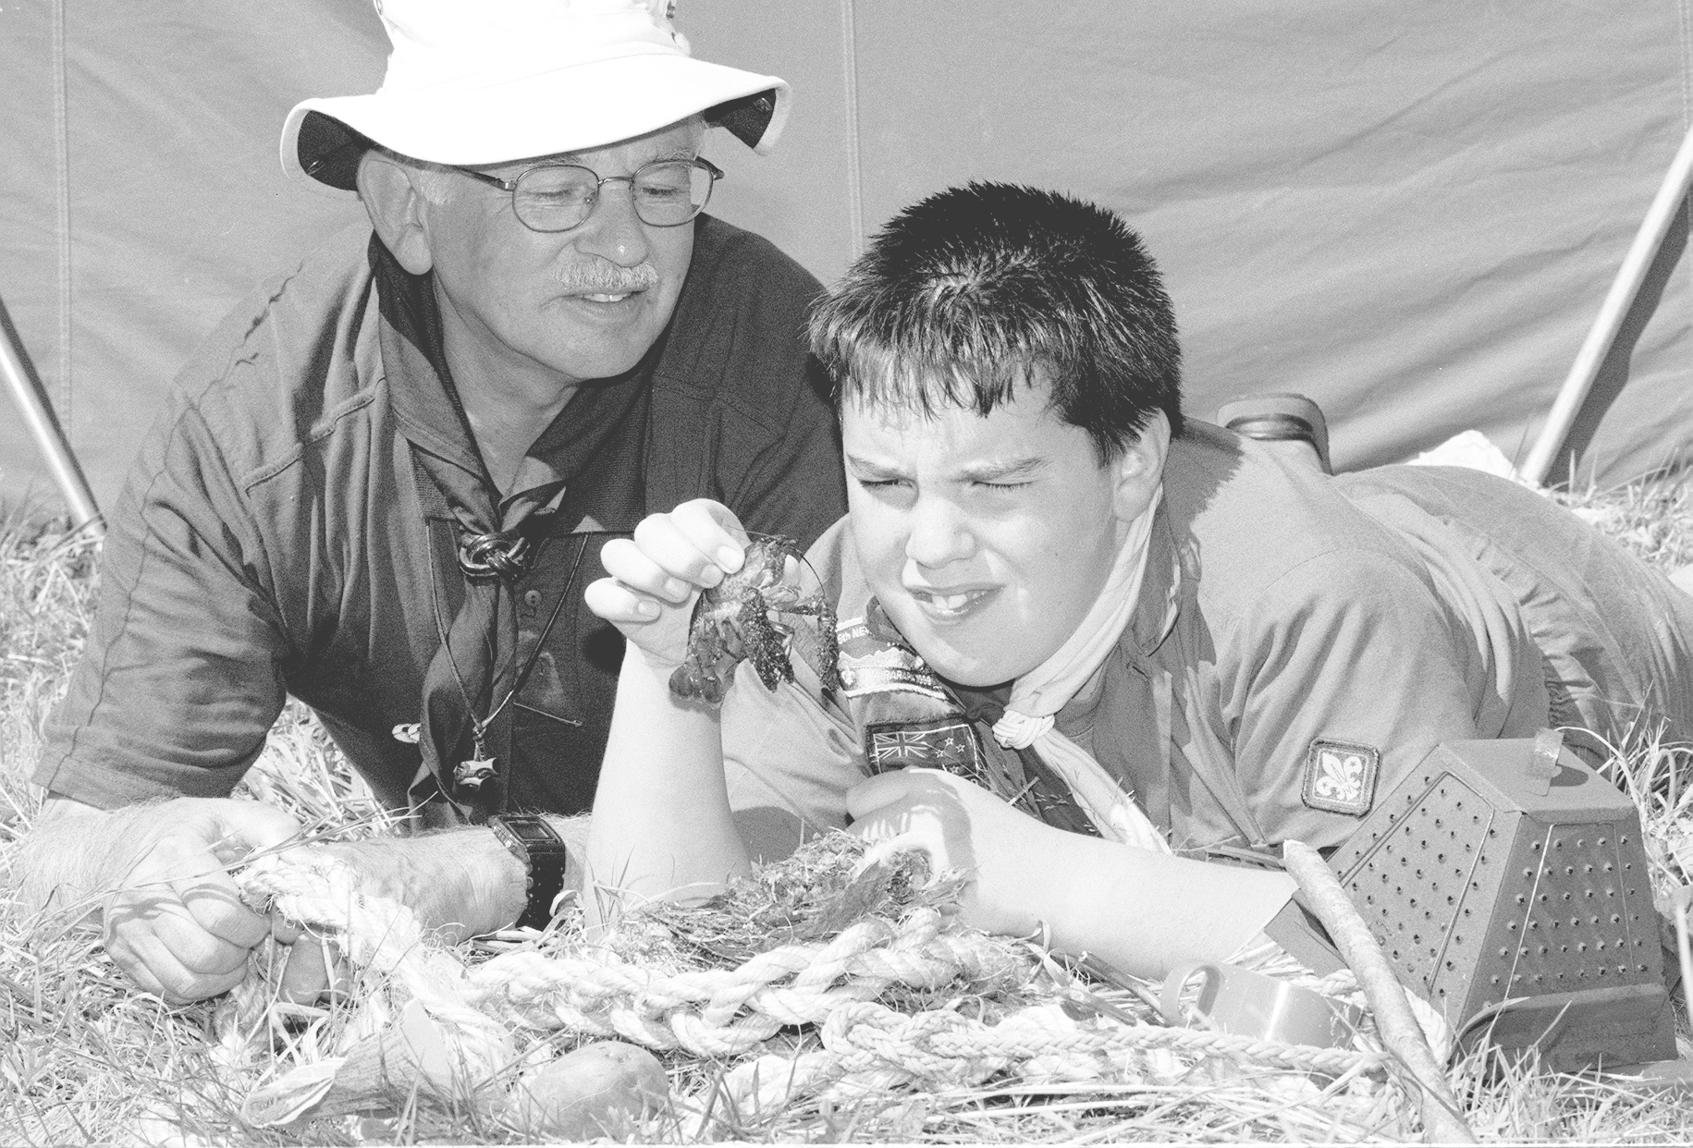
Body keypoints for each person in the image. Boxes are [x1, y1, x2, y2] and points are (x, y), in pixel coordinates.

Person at [15, 0, 843, 1004]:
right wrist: (150, 859)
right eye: (557, 188)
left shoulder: (782, 374)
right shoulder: (262, 431)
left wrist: (466, 873)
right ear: (408, 207)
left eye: (664, 180)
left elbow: (822, 825)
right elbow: (56, 851)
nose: (629, 243)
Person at [583, 180, 1693, 979]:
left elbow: (1437, 964)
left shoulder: (1311, 605)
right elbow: (672, 927)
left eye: (992, 485)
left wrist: (1045, 881)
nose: (925, 546)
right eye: (882, 479)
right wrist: (666, 677)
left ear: (1130, 464)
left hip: (1562, 605)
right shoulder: (843, 598)